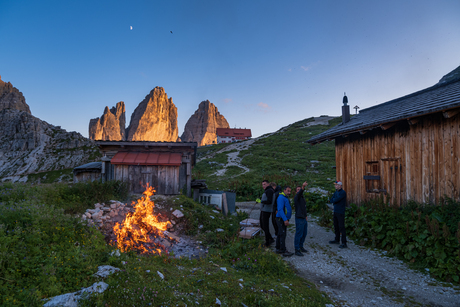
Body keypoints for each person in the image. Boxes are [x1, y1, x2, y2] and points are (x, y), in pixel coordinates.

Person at [275, 186, 294, 257]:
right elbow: (280, 209)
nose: (289, 193)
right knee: (282, 234)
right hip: (281, 219)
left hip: (283, 218)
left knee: (280, 233)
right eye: (288, 191)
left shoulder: (285, 197)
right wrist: (285, 219)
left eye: (290, 191)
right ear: (284, 190)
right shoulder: (281, 198)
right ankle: (283, 250)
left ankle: (278, 248)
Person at [329, 180, 347, 248]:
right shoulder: (336, 192)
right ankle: (337, 239)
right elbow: (332, 199)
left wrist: (334, 200)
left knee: (341, 227)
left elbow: (335, 200)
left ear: (340, 185)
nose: (335, 186)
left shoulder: (343, 193)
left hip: (340, 212)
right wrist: (334, 200)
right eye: (335, 185)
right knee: (336, 226)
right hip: (336, 211)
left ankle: (344, 242)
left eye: (336, 185)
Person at [294, 181, 309, 256]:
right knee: (299, 234)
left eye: (300, 189)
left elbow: (304, 208)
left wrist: (306, 216)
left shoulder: (302, 198)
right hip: (299, 218)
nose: (299, 190)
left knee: (304, 233)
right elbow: (300, 193)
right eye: (298, 189)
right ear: (296, 191)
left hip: (303, 218)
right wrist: (303, 187)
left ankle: (301, 246)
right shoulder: (297, 197)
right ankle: (297, 249)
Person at [260, 180, 275, 247]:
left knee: (265, 226)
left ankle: (267, 242)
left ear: (268, 184)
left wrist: (262, 201)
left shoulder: (269, 191)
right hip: (264, 210)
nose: (263, 185)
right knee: (262, 225)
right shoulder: (268, 190)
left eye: (264, 184)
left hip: (266, 211)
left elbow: (269, 201)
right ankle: (270, 238)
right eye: (262, 184)